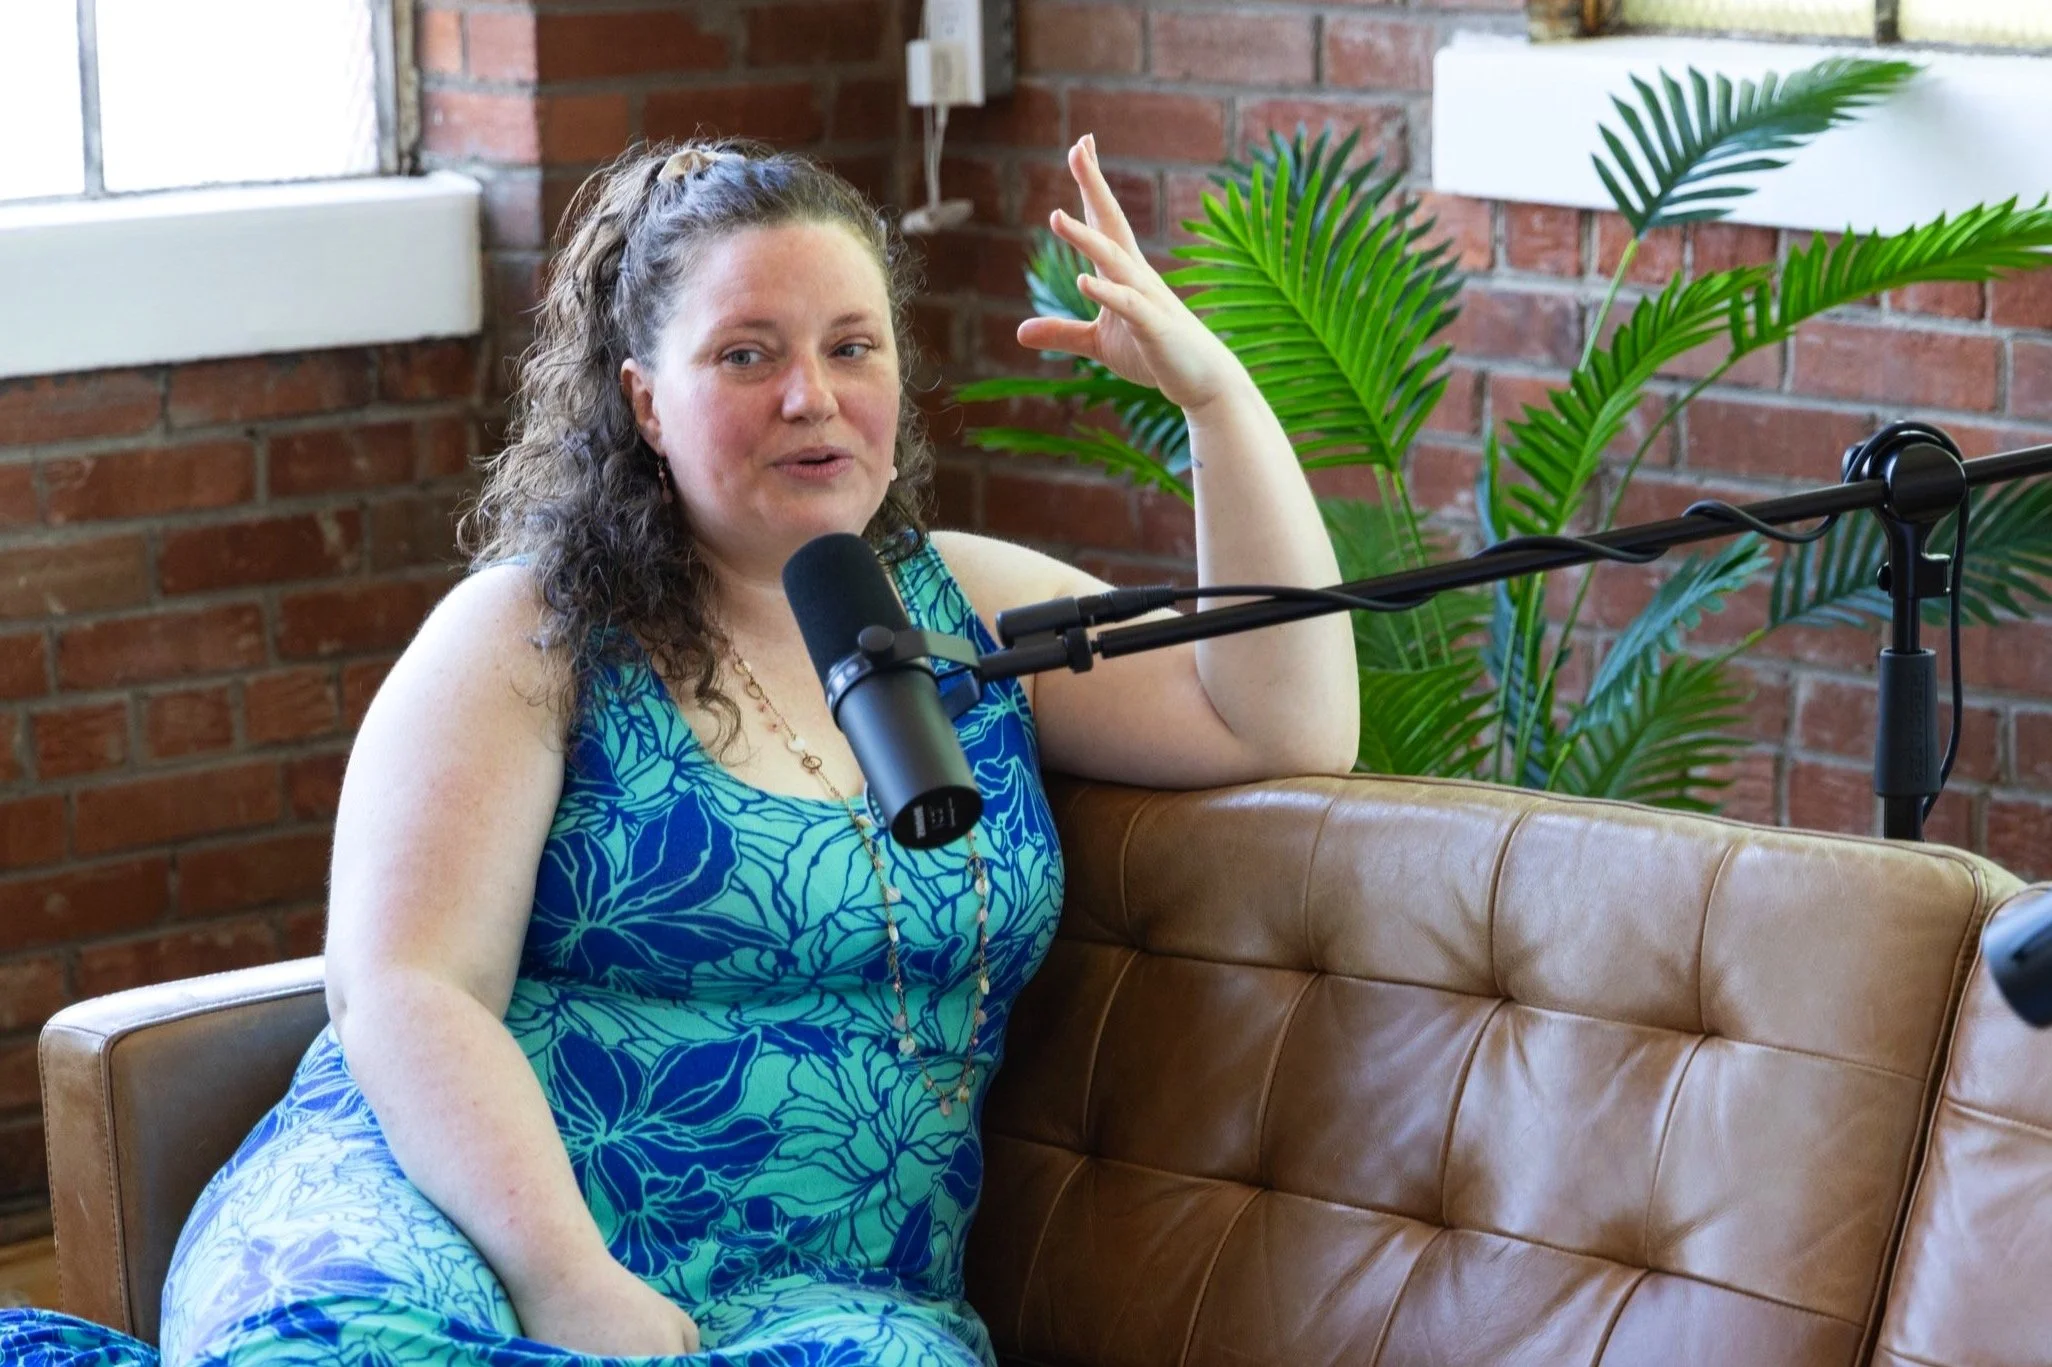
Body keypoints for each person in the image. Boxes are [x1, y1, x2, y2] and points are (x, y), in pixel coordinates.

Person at [0, 134, 1356, 1365]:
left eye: (852, 345)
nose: (812, 397)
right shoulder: (534, 626)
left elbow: (1280, 717)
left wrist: (1214, 397)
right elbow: (406, 986)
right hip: (449, 1222)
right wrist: (568, 1280)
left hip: (822, 1292)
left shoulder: (964, 608)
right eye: (747, 354)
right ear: (647, 401)